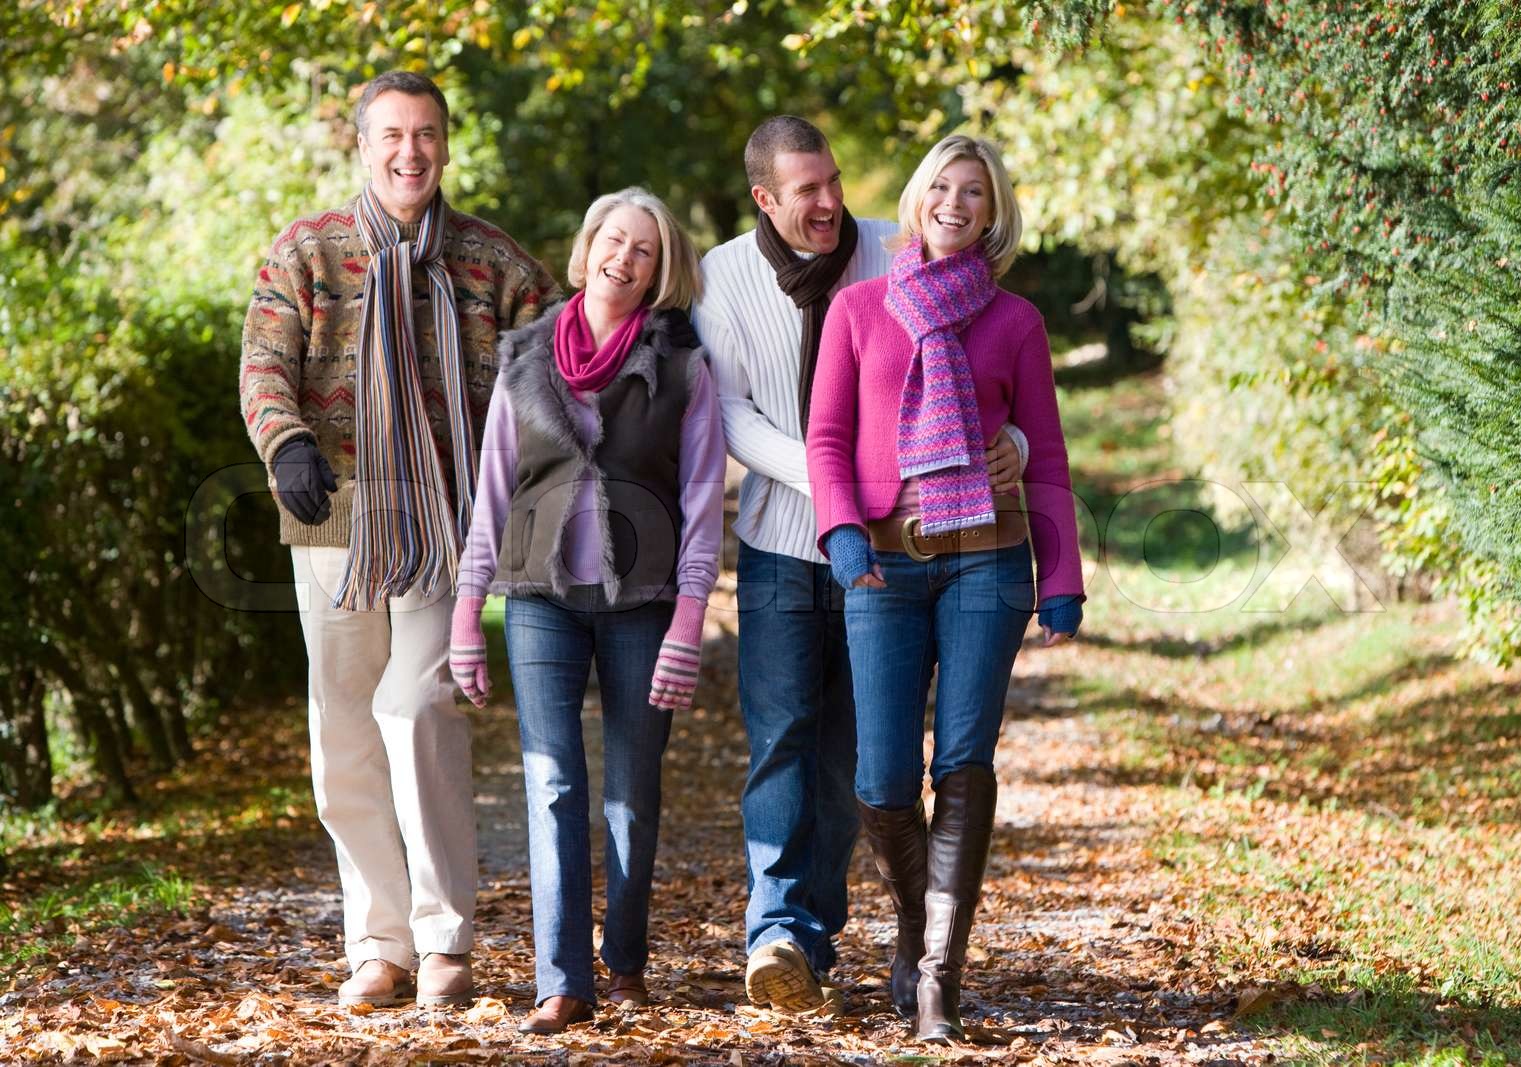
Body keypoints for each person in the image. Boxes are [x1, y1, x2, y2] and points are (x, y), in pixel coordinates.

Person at [693, 116, 1030, 1013]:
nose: (829, 202)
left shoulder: (892, 245)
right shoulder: (721, 277)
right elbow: (733, 417)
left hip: (896, 553)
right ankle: (776, 927)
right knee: (781, 735)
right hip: (781, 537)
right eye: (807, 190)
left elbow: (976, 356)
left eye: (835, 181)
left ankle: (830, 936)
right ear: (766, 198)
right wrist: (846, 484)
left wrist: (1019, 441)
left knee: (859, 754)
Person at [239, 72, 555, 1009]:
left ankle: (444, 935)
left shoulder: (494, 263)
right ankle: (380, 943)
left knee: (416, 710)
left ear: (446, 147)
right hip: (332, 516)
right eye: (391, 135)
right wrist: (287, 440)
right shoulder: (307, 252)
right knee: (343, 736)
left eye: (424, 135)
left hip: (446, 525)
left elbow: (554, 381)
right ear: (363, 146)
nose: (408, 152)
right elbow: (263, 362)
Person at [806, 134, 1086, 1041]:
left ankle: (937, 976)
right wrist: (843, 532)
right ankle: (915, 922)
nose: (956, 204)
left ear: (992, 213)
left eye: (976, 193)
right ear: (919, 198)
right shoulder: (858, 309)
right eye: (943, 187)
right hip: (884, 565)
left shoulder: (1016, 322)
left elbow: (1044, 457)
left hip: (988, 560)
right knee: (883, 778)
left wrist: (1062, 576)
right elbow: (827, 438)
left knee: (963, 763)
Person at [448, 187, 724, 1034]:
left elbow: (705, 498)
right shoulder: (526, 353)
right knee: (552, 779)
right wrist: (467, 612)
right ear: (587, 245)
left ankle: (627, 959)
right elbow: (493, 488)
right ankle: (562, 979)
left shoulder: (684, 368)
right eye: (613, 238)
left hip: (643, 604)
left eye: (644, 248)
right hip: (539, 602)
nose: (624, 256)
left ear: (660, 269)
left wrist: (688, 620)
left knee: (632, 792)